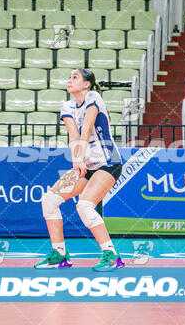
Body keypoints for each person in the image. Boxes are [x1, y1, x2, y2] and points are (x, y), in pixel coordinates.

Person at [34, 69, 124, 271]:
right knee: (49, 200)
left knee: (84, 206)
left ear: (87, 84)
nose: (69, 80)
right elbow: (74, 136)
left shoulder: (93, 97)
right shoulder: (66, 106)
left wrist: (79, 159)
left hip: (108, 163)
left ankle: (112, 255)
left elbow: (86, 130)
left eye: (75, 77)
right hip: (87, 165)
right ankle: (59, 254)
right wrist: (78, 160)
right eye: (69, 77)